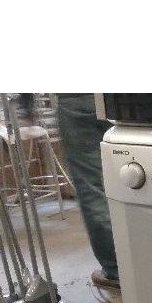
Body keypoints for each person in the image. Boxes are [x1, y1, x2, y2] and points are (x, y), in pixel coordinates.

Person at [56, 94, 120, 289]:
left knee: (90, 187)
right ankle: (151, 257)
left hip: (76, 98)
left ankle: (116, 270)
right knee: (140, 174)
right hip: (121, 94)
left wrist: (26, 109)